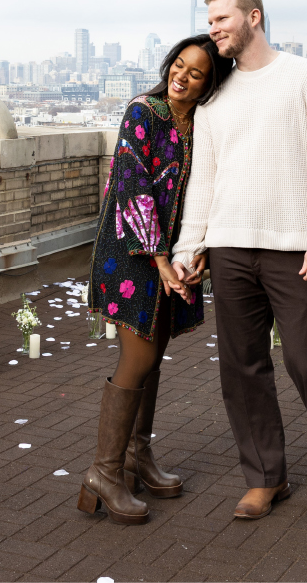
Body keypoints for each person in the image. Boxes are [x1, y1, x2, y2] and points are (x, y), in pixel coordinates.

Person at [172, 0, 307, 526]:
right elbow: (203, 181)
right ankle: (264, 477)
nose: (214, 29)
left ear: (254, 17)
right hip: (229, 249)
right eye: (209, 21)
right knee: (241, 367)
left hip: (294, 250)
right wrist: (190, 247)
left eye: (222, 18)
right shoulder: (213, 98)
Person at [78, 35, 232, 524]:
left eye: (196, 72)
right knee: (138, 353)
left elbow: (206, 188)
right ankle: (104, 472)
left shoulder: (202, 124)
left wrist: (197, 248)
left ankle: (136, 456)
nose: (182, 76)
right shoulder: (144, 112)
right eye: (178, 65)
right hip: (131, 252)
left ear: (211, 82)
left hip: (173, 255)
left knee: (155, 352)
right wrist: (161, 259)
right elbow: (131, 184)